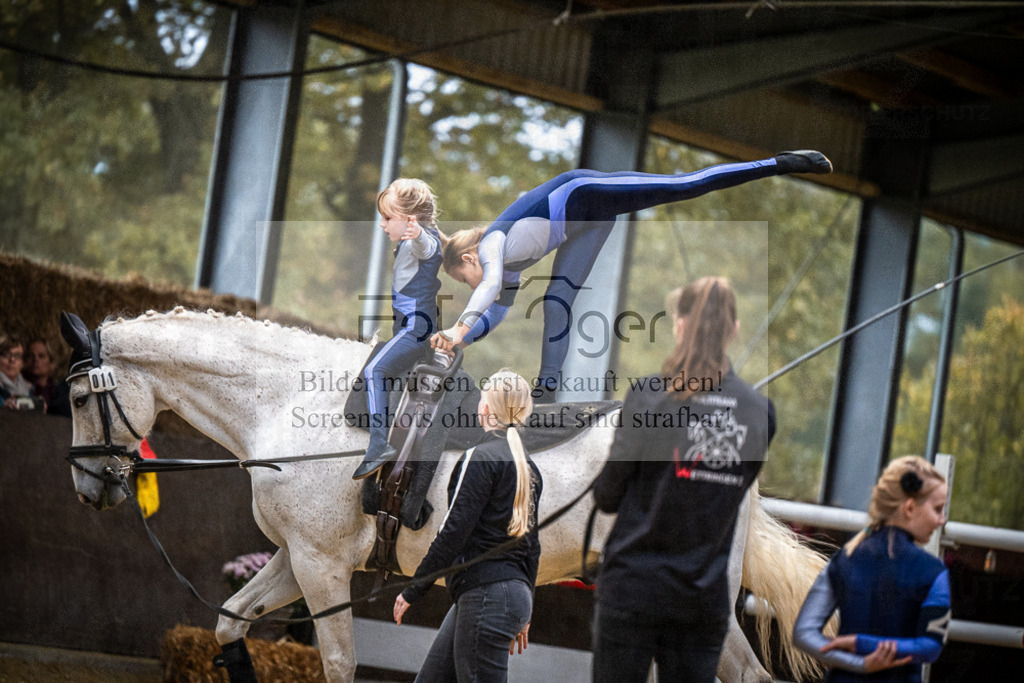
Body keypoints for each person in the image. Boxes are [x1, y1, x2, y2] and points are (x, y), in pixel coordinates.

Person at [430, 151, 832, 401]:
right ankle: (547, 392)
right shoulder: (506, 271)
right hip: (585, 226)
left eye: (462, 277)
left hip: (584, 194)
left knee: (684, 185)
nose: (467, 283)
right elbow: (495, 313)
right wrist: (460, 338)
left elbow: (485, 285)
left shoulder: (492, 245)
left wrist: (457, 328)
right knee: (555, 304)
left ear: (467, 256)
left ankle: (779, 163)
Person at [590, 277, 775, 683]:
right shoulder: (759, 412)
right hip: (701, 600)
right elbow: (733, 493)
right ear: (734, 329)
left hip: (632, 589)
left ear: (679, 323)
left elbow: (606, 495)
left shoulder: (647, 395)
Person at [393, 369, 542, 683]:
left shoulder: (479, 458)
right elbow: (532, 545)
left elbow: (453, 533)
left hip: (487, 595)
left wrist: (413, 589)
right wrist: (525, 602)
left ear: (485, 409)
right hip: (502, 594)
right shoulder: (529, 468)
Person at [792, 456, 951, 682]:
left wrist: (859, 661)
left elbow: (803, 634)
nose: (941, 520)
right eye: (937, 509)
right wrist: (866, 646)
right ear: (909, 508)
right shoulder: (934, 572)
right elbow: (930, 647)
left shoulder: (843, 559)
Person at [353, 178, 445, 480]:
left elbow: (427, 248)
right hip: (409, 327)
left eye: (388, 218)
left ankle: (378, 444)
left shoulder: (422, 240)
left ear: (410, 220)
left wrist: (416, 234)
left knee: (373, 371)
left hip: (416, 329)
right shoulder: (413, 240)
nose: (383, 225)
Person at [23, 338, 71, 417]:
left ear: (51, 362)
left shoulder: (60, 392)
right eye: (30, 355)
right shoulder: (19, 387)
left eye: (41, 356)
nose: (35, 360)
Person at [1, 332, 43, 411]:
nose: (12, 360)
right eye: (6, 354)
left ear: (23, 362)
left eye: (17, 355)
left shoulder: (29, 389)